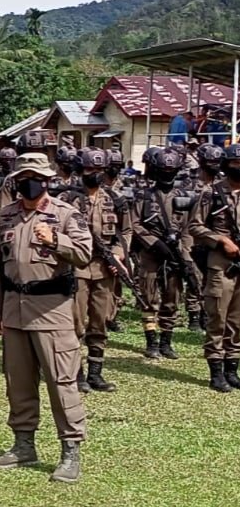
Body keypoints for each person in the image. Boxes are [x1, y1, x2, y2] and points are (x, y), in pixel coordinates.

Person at [0, 152, 92, 483]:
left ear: (47, 181)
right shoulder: (5, 217)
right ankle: (23, 445)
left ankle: (70, 451)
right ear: (16, 182)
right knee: (18, 383)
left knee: (62, 383)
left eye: (37, 178)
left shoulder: (65, 214)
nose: (30, 184)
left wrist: (57, 241)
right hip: (15, 311)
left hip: (52, 311)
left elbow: (86, 255)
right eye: (24, 178)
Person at [65, 147, 130, 393]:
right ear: (81, 170)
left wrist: (119, 253)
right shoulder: (68, 199)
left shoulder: (114, 199)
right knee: (75, 322)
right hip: (77, 268)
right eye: (91, 169)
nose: (96, 174)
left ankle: (96, 373)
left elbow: (126, 231)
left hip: (104, 270)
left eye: (100, 170)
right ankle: (76, 373)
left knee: (100, 321)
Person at [130, 146, 195, 360]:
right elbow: (135, 224)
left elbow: (188, 229)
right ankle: (151, 341)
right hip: (151, 253)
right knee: (149, 297)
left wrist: (185, 257)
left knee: (171, 298)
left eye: (172, 170)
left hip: (175, 256)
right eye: (163, 170)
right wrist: (154, 243)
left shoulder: (184, 197)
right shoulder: (144, 196)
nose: (167, 174)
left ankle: (166, 341)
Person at [188, 144, 240, 392]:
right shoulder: (212, 193)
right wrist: (221, 240)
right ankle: (216, 371)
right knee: (218, 315)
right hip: (220, 262)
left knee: (238, 320)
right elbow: (195, 226)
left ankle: (232, 369)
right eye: (235, 164)